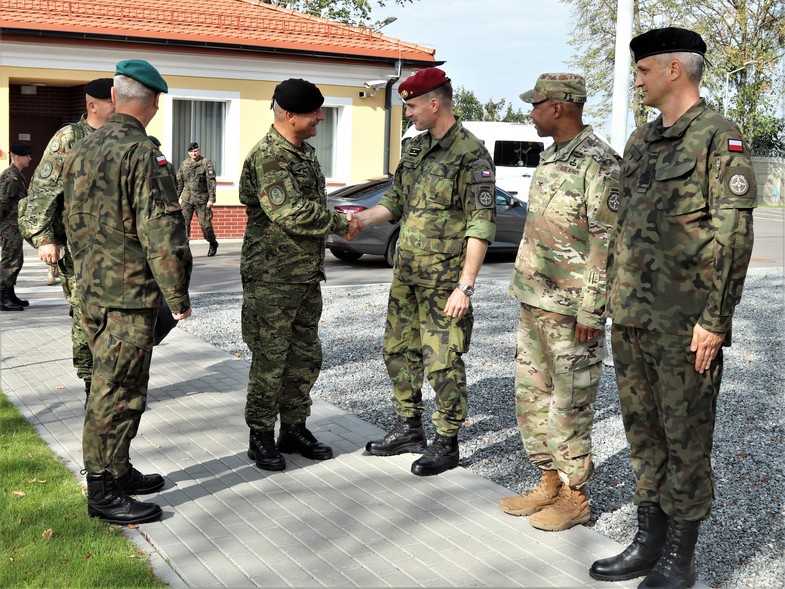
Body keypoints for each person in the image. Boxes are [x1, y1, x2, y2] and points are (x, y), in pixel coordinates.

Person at [589, 28, 756, 588]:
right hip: (632, 316)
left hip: (686, 324)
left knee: (685, 438)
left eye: (642, 72)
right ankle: (648, 542)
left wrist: (715, 320)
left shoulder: (719, 136)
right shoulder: (640, 142)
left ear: (674, 71)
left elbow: (734, 238)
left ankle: (679, 561)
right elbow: (623, 228)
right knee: (643, 433)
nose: (635, 81)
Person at [62, 59, 193, 525]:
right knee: (116, 391)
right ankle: (102, 490)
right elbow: (162, 233)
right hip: (128, 295)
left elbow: (69, 221)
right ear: (155, 102)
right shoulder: (143, 153)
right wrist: (177, 297)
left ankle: (117, 469)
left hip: (93, 291)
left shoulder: (82, 148)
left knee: (118, 385)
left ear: (114, 98)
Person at [351, 67, 497, 476]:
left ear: (435, 104)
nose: (408, 113)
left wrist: (465, 287)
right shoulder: (415, 150)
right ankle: (408, 427)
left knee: (443, 360)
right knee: (397, 352)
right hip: (408, 275)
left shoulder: (471, 155)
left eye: (412, 106)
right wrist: (363, 220)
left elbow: (480, 224)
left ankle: (446, 441)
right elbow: (395, 202)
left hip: (444, 283)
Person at [500, 73, 620, 531]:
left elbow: (605, 241)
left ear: (559, 107)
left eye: (536, 105)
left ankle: (576, 496)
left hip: (573, 311)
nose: (530, 113)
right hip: (534, 301)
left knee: (570, 403)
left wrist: (593, 308)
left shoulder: (600, 163)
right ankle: (549, 480)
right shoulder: (550, 157)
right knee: (533, 398)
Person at [239, 78, 358, 472]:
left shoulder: (303, 154)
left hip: (305, 275)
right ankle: (261, 436)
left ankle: (294, 427)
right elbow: (289, 212)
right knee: (270, 359)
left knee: (304, 356)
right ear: (290, 115)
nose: (320, 118)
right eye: (314, 113)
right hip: (272, 277)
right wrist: (341, 223)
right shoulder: (269, 156)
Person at [19, 77, 115, 405]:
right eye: (114, 102)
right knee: (85, 311)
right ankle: (91, 383)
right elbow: (43, 191)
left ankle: (111, 379)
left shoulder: (121, 137)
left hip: (116, 248)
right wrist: (44, 238)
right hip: (78, 247)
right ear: (94, 105)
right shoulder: (70, 138)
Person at [0, 144, 33, 311]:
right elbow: (2, 203)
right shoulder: (10, 177)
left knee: (16, 261)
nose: (30, 158)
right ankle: (3, 297)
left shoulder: (16, 176)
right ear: (18, 157)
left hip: (14, 226)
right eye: (27, 155)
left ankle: (10, 294)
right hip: (8, 227)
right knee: (9, 262)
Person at [177, 141, 219, 256]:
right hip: (187, 199)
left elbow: (211, 182)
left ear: (199, 151)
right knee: (184, 224)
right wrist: (176, 198)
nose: (194, 153)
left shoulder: (206, 163)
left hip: (202, 200)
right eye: (191, 151)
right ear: (188, 153)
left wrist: (211, 199)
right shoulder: (184, 164)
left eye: (195, 151)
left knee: (205, 225)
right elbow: (180, 182)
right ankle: (185, 249)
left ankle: (212, 242)